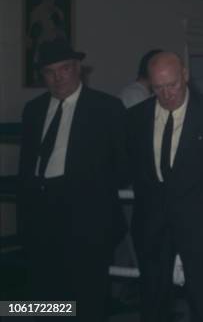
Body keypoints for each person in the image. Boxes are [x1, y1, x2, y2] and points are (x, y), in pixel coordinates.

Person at [17, 40, 129, 322]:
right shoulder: (33, 110)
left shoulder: (107, 108)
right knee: (44, 298)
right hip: (41, 217)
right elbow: (26, 169)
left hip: (87, 219)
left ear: (79, 69)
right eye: (49, 72)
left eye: (64, 69)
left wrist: (91, 191)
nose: (58, 77)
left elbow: (124, 164)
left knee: (87, 299)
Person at [128, 52, 203, 322]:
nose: (167, 94)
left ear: (185, 75)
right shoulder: (135, 117)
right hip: (152, 230)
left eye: (172, 85)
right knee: (153, 306)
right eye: (158, 88)